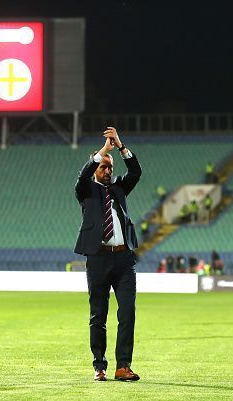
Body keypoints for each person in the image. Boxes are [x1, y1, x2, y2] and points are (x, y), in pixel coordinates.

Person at [74, 127, 142, 382]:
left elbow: (135, 172)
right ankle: (99, 366)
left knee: (127, 313)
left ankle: (123, 366)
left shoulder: (120, 189)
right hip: (98, 257)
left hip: (124, 259)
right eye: (103, 167)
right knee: (98, 315)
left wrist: (121, 146)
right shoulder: (86, 191)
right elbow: (83, 176)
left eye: (110, 167)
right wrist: (103, 151)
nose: (108, 171)